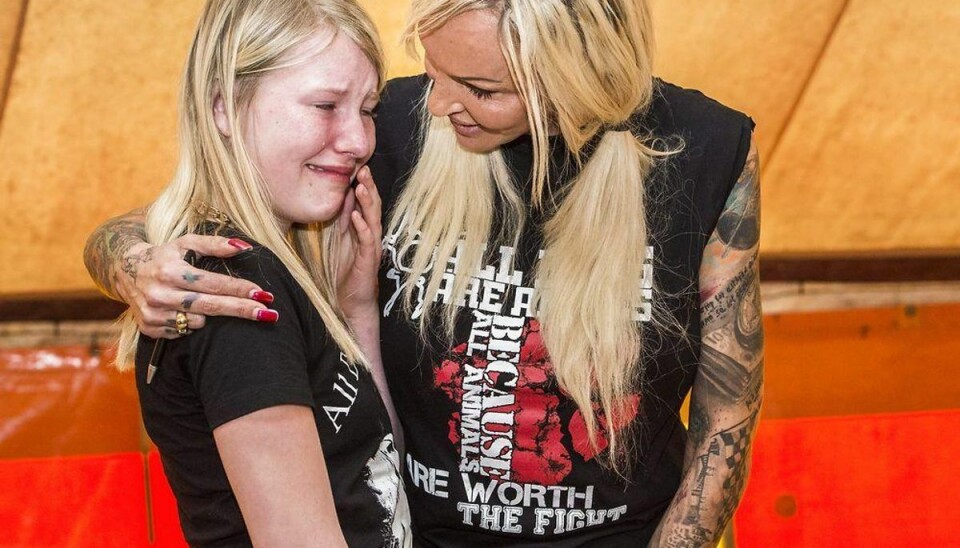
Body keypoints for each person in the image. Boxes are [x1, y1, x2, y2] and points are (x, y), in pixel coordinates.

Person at [85, 0, 762, 545]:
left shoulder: (701, 149)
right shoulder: (381, 132)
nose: (438, 103)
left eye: (480, 88)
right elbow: (181, 214)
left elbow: (727, 406)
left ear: (568, 84)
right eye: (434, 71)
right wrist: (139, 266)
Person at [103, 0, 411, 545]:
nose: (360, 140)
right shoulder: (236, 290)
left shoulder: (286, 262)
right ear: (224, 107)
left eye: (366, 108)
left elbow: (377, 472)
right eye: (325, 105)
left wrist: (357, 308)